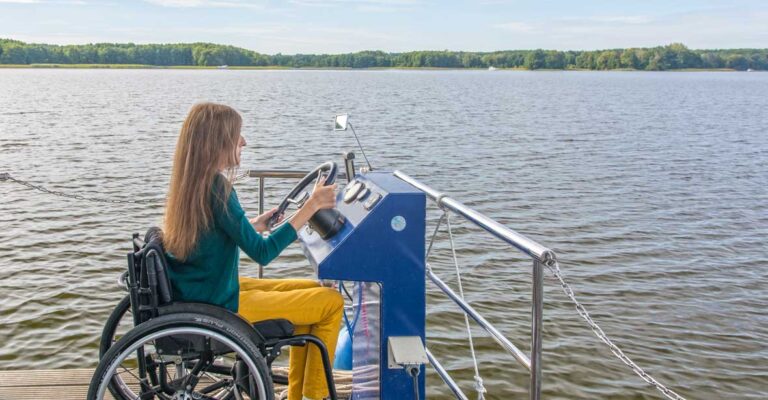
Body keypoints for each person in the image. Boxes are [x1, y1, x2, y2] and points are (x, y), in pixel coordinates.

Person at [163, 102, 343, 400]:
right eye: (237, 135)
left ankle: (300, 394)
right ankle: (313, 395)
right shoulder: (218, 189)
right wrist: (311, 206)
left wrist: (255, 225)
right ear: (216, 142)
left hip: (206, 291)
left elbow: (220, 234)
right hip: (220, 303)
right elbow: (263, 254)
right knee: (332, 302)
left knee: (314, 290)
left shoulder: (195, 183)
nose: (243, 142)